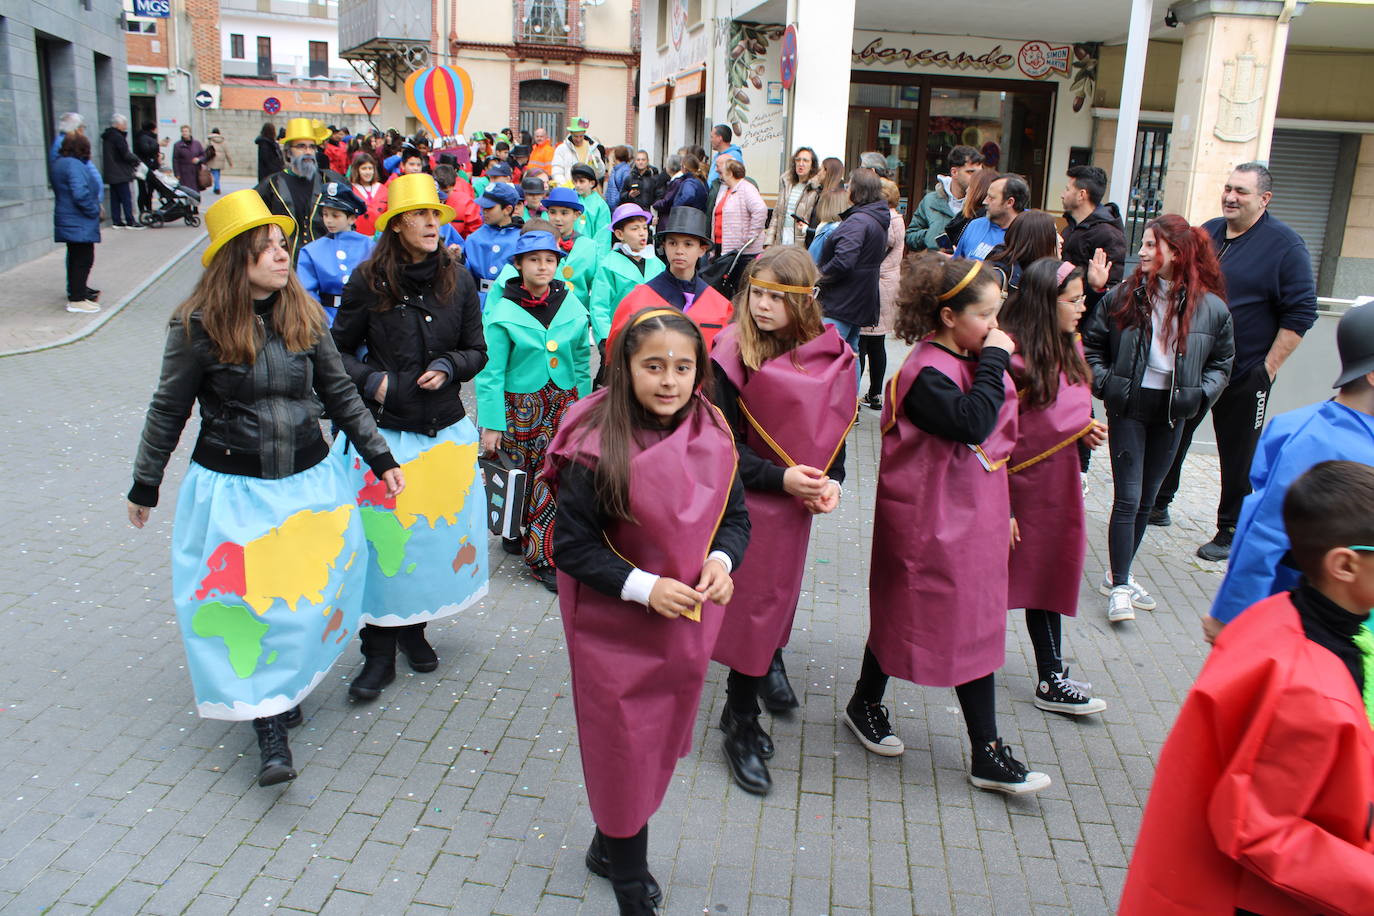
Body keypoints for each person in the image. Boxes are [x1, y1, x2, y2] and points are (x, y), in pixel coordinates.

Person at [126, 190, 404, 787]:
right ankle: (269, 726)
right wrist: (145, 484)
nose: (283, 256)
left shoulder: (303, 313)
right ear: (236, 260)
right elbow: (168, 408)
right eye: (268, 248)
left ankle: (284, 684)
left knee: (302, 597)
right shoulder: (196, 326)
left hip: (306, 484)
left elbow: (340, 393)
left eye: (283, 245)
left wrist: (380, 457)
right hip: (233, 488)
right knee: (248, 603)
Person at [543, 307, 749, 916]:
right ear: (624, 368)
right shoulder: (594, 440)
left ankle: (610, 844)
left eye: (683, 367)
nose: (669, 381)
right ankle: (630, 881)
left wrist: (722, 562)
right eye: (653, 366)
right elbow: (572, 546)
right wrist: (643, 586)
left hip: (683, 624)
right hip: (614, 626)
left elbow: (734, 518)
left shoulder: (713, 432)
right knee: (623, 746)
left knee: (652, 743)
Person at [1119, 460, 1374, 916]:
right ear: (1345, 565)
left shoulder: (1277, 614)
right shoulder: (1310, 689)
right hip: (1245, 898)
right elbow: (1257, 830)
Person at [850, 253, 1051, 795]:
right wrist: (994, 359)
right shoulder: (925, 374)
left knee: (963, 620)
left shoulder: (967, 354)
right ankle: (984, 750)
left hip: (971, 513)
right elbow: (973, 422)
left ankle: (864, 702)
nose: (997, 329)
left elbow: (994, 441)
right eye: (986, 316)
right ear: (947, 317)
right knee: (937, 618)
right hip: (929, 522)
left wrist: (1003, 507)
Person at [331, 173, 489, 701]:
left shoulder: (459, 279)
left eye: (436, 215)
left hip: (441, 432)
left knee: (429, 540)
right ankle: (377, 651)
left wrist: (449, 364)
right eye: (420, 215)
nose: (432, 223)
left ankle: (415, 629)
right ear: (397, 225)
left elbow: (477, 350)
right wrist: (375, 382)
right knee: (383, 543)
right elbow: (334, 356)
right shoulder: (367, 281)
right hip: (384, 439)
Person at [709, 248, 855, 795]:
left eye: (778, 297)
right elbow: (716, 449)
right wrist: (782, 479)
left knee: (772, 609)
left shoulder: (831, 355)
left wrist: (832, 480)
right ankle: (740, 721)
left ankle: (742, 703)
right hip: (741, 504)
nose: (763, 306)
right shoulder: (727, 355)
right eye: (757, 293)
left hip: (794, 507)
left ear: (805, 302)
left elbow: (834, 427)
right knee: (751, 614)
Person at [1152, 163, 1319, 561]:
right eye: (1227, 188)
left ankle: (1230, 528)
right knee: (1176, 430)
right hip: (1195, 362)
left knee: (1238, 450)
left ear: (1264, 199)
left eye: (1241, 191)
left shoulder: (1285, 246)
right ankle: (1158, 503)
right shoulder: (1208, 231)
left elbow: (1301, 315)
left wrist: (1267, 369)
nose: (1230, 196)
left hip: (1246, 372)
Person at [1083, 214, 1234, 623]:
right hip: (1129, 405)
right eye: (1144, 244)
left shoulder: (1211, 307)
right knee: (1128, 498)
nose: (1144, 252)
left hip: (1173, 412)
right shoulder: (1125, 295)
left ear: (1178, 252)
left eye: (1153, 245)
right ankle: (1119, 588)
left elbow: (1223, 361)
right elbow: (1091, 343)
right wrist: (1107, 383)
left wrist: (1200, 395)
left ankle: (1119, 573)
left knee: (1149, 500)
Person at [1202, 300, 1374, 643]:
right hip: (1309, 620)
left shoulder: (1309, 429)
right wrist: (1230, 615)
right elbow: (1263, 531)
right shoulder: (1312, 438)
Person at [1000, 259, 1109, 714]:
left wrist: (1080, 426)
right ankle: (1049, 676)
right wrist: (1070, 425)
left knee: (1046, 576)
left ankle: (1052, 675)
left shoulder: (1069, 344)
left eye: (1084, 299)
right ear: (1047, 304)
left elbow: (1062, 409)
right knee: (1012, 580)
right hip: (1016, 488)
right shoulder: (1011, 355)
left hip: (1056, 482)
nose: (1083, 308)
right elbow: (1002, 429)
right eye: (1075, 300)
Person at [475, 231, 593, 591]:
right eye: (534, 260)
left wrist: (585, 408)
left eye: (550, 260)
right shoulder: (502, 310)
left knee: (550, 476)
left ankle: (542, 557)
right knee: (519, 473)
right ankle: (515, 531)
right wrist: (492, 424)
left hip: (563, 402)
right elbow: (490, 372)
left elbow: (583, 360)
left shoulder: (570, 302)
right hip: (519, 406)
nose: (543, 266)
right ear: (519, 265)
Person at [608, 207, 733, 351]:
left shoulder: (721, 307)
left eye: (688, 244)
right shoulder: (638, 299)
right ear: (664, 246)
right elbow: (616, 353)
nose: (679, 251)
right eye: (673, 243)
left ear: (702, 250)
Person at [815, 169, 891, 377]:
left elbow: (843, 261)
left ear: (857, 190)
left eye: (849, 185)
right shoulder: (874, 217)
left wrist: (819, 276)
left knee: (828, 354)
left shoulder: (859, 220)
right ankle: (850, 405)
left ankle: (832, 405)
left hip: (842, 301)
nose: (846, 188)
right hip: (859, 298)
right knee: (852, 352)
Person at [256, 118, 346, 265]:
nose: (308, 152)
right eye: (301, 147)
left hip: (325, 260)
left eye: (312, 147)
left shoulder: (330, 180)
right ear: (288, 151)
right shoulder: (272, 184)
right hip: (286, 260)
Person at [295, 183, 374, 325]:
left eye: (335, 215)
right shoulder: (311, 251)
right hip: (327, 319)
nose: (329, 220)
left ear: (352, 218)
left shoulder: (369, 246)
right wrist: (322, 322)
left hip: (365, 319)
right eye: (325, 214)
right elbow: (307, 293)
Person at [858, 178, 905, 411]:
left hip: (878, 284)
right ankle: (875, 394)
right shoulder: (897, 217)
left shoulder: (887, 219)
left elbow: (884, 242)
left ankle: (860, 396)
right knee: (877, 343)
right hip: (887, 283)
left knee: (864, 342)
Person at [590, 204, 663, 351]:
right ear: (619, 234)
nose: (642, 233)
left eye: (644, 228)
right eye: (635, 229)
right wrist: (606, 338)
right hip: (621, 336)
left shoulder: (656, 263)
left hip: (653, 334)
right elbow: (599, 306)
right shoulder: (609, 265)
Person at [1058, 165, 1126, 316]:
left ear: (1081, 194)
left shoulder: (1108, 235)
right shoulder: (1069, 228)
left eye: (1067, 189)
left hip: (1086, 320)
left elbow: (1111, 292)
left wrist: (1096, 288)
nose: (1062, 195)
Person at [52, 132, 104, 314]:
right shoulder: (73, 165)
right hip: (78, 220)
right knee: (82, 259)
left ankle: (78, 293)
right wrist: (94, 210)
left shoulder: (60, 163)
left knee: (75, 258)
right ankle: (77, 299)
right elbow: (80, 193)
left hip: (70, 219)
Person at [906, 145, 983, 252]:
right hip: (934, 266)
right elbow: (910, 237)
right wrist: (930, 235)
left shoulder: (982, 204)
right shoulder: (931, 200)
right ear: (954, 172)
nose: (977, 178)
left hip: (964, 266)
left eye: (979, 173)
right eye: (970, 172)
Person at [465, 181, 523, 294]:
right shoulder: (474, 238)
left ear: (507, 209)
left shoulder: (521, 238)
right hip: (478, 299)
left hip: (511, 298)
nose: (484, 211)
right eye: (483, 207)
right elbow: (466, 272)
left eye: (489, 207)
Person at [953, 174, 1028, 261]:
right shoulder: (975, 225)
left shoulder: (1030, 233)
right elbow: (957, 264)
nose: (985, 202)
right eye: (986, 196)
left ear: (1009, 202)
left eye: (991, 198)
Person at [986, 209, 1061, 294]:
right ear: (1040, 240)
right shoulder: (1000, 275)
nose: (1061, 240)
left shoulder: (1044, 276)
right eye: (1055, 233)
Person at [767, 146, 821, 248]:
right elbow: (776, 216)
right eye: (798, 160)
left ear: (812, 165)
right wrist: (769, 242)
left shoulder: (815, 189)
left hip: (801, 241)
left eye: (805, 161)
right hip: (782, 237)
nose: (801, 164)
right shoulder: (786, 183)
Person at [713, 159, 767, 258]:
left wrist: (751, 237)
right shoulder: (724, 189)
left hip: (743, 252)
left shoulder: (747, 188)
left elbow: (760, 209)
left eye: (723, 171)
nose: (718, 172)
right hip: (722, 247)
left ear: (729, 173)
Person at [100, 114, 142, 229]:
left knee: (115, 198)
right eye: (124, 124)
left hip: (111, 172)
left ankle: (116, 220)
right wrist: (137, 160)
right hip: (120, 172)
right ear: (119, 125)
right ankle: (130, 221)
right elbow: (125, 153)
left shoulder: (108, 136)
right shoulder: (117, 137)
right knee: (126, 197)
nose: (126, 126)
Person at [800, 156, 848, 253]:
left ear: (827, 171)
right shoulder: (822, 191)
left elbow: (829, 229)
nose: (818, 173)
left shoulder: (835, 196)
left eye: (821, 169)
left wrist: (807, 230)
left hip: (823, 249)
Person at [944, 168, 997, 251]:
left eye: (971, 186)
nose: (967, 190)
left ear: (979, 191)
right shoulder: (965, 217)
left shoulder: (980, 222)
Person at [652, 153, 707, 222]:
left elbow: (688, 196)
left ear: (684, 167)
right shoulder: (700, 180)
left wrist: (676, 206)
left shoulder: (689, 182)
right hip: (697, 218)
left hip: (690, 219)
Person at [552, 117, 605, 185]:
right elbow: (557, 171)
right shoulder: (561, 149)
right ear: (571, 133)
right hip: (569, 191)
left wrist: (597, 162)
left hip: (587, 191)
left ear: (584, 133)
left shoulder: (592, 148)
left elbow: (599, 174)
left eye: (581, 136)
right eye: (575, 136)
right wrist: (565, 186)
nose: (578, 139)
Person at [348, 152, 388, 237]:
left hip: (380, 238)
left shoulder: (383, 188)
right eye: (364, 168)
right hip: (358, 236)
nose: (368, 172)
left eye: (370, 168)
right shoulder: (350, 189)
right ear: (357, 170)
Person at [570, 163, 610, 240]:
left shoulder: (600, 205)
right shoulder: (570, 199)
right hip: (569, 247)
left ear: (592, 183)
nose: (577, 185)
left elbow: (603, 235)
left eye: (581, 181)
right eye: (575, 181)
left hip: (590, 248)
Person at [134, 121, 162, 216]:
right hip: (145, 168)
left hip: (146, 167)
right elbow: (146, 150)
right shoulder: (144, 138)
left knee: (148, 190)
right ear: (153, 129)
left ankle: (147, 209)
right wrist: (158, 144)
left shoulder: (142, 137)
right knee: (145, 190)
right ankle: (144, 210)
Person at [172, 125, 206, 193]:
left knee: (195, 192)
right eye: (183, 131)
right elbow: (175, 160)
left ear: (190, 132)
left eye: (186, 131)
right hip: (184, 173)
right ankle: (188, 203)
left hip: (196, 171)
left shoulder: (197, 144)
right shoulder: (177, 145)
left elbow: (203, 155)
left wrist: (199, 159)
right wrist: (177, 173)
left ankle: (195, 203)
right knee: (186, 191)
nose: (184, 133)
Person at [604, 145, 632, 210]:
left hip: (618, 208)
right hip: (612, 207)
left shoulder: (625, 171)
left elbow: (624, 190)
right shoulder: (616, 169)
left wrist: (616, 201)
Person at [206, 127, 232, 195]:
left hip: (212, 159)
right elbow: (227, 153)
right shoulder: (223, 141)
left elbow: (205, 150)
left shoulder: (209, 140)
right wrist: (230, 163)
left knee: (214, 174)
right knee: (217, 173)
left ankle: (217, 187)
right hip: (220, 160)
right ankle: (216, 187)